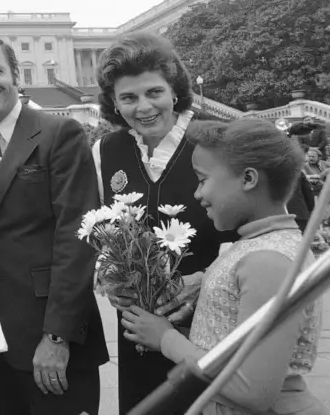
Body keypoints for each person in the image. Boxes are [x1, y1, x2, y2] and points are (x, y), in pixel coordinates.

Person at [122, 119, 327, 415]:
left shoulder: (269, 259)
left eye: (203, 180)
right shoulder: (257, 245)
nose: (197, 194)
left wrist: (166, 338)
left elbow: (252, 391)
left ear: (248, 179)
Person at [0, 35, 107, 415]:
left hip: (51, 338)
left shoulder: (60, 133)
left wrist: (58, 335)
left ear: (16, 75)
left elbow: (77, 236)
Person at [92, 31, 232, 414]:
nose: (143, 107)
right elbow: (99, 229)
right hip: (136, 329)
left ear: (174, 91)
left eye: (154, 92)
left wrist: (202, 280)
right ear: (114, 105)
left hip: (208, 325)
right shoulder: (107, 150)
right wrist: (108, 278)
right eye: (128, 98)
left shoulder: (218, 142)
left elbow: (263, 237)